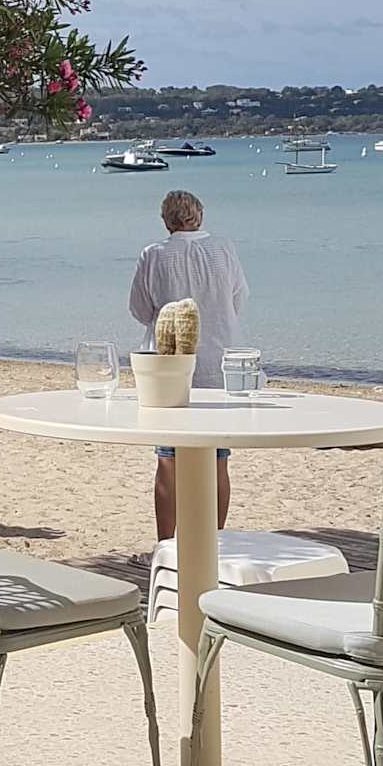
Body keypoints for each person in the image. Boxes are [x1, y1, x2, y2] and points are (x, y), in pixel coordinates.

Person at [129, 189, 249, 540]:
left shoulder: (154, 254)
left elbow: (140, 309)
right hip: (218, 360)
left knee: (169, 459)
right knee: (217, 458)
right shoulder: (223, 249)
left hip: (171, 366)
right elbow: (239, 298)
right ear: (200, 214)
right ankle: (215, 542)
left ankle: (166, 544)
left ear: (166, 220)